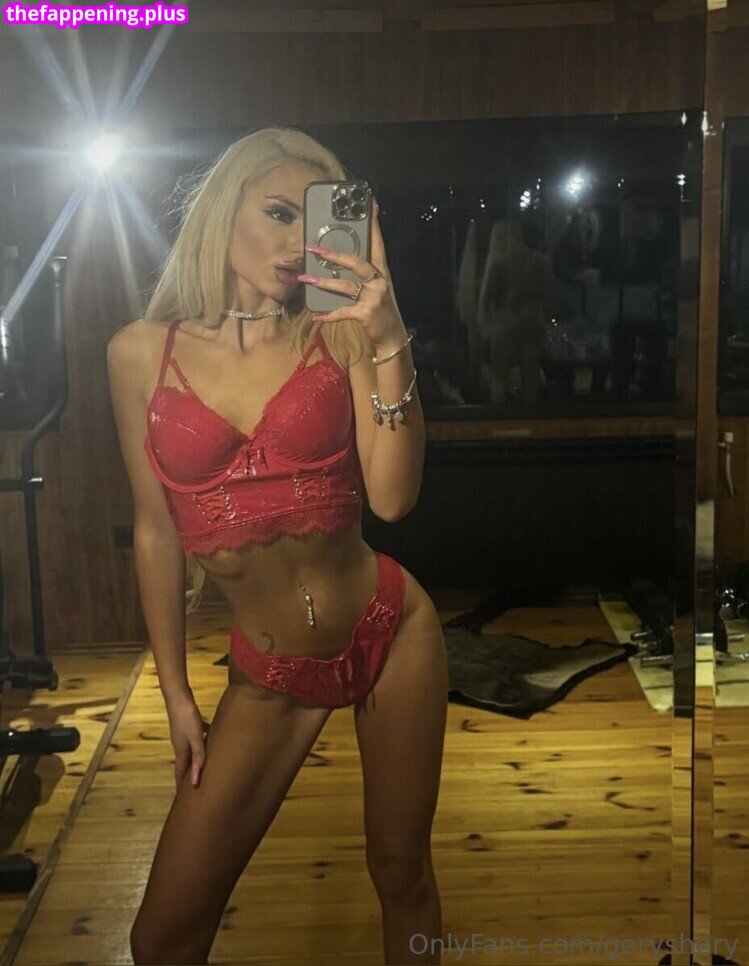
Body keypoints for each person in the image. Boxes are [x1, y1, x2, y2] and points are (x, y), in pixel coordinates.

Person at [106, 126, 448, 965]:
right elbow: (155, 530)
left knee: (400, 870)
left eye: (315, 219)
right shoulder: (139, 353)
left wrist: (388, 334)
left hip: (390, 628)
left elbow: (394, 498)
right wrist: (175, 695)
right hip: (269, 674)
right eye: (276, 213)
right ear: (223, 210)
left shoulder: (336, 337)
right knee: (161, 936)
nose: (298, 242)